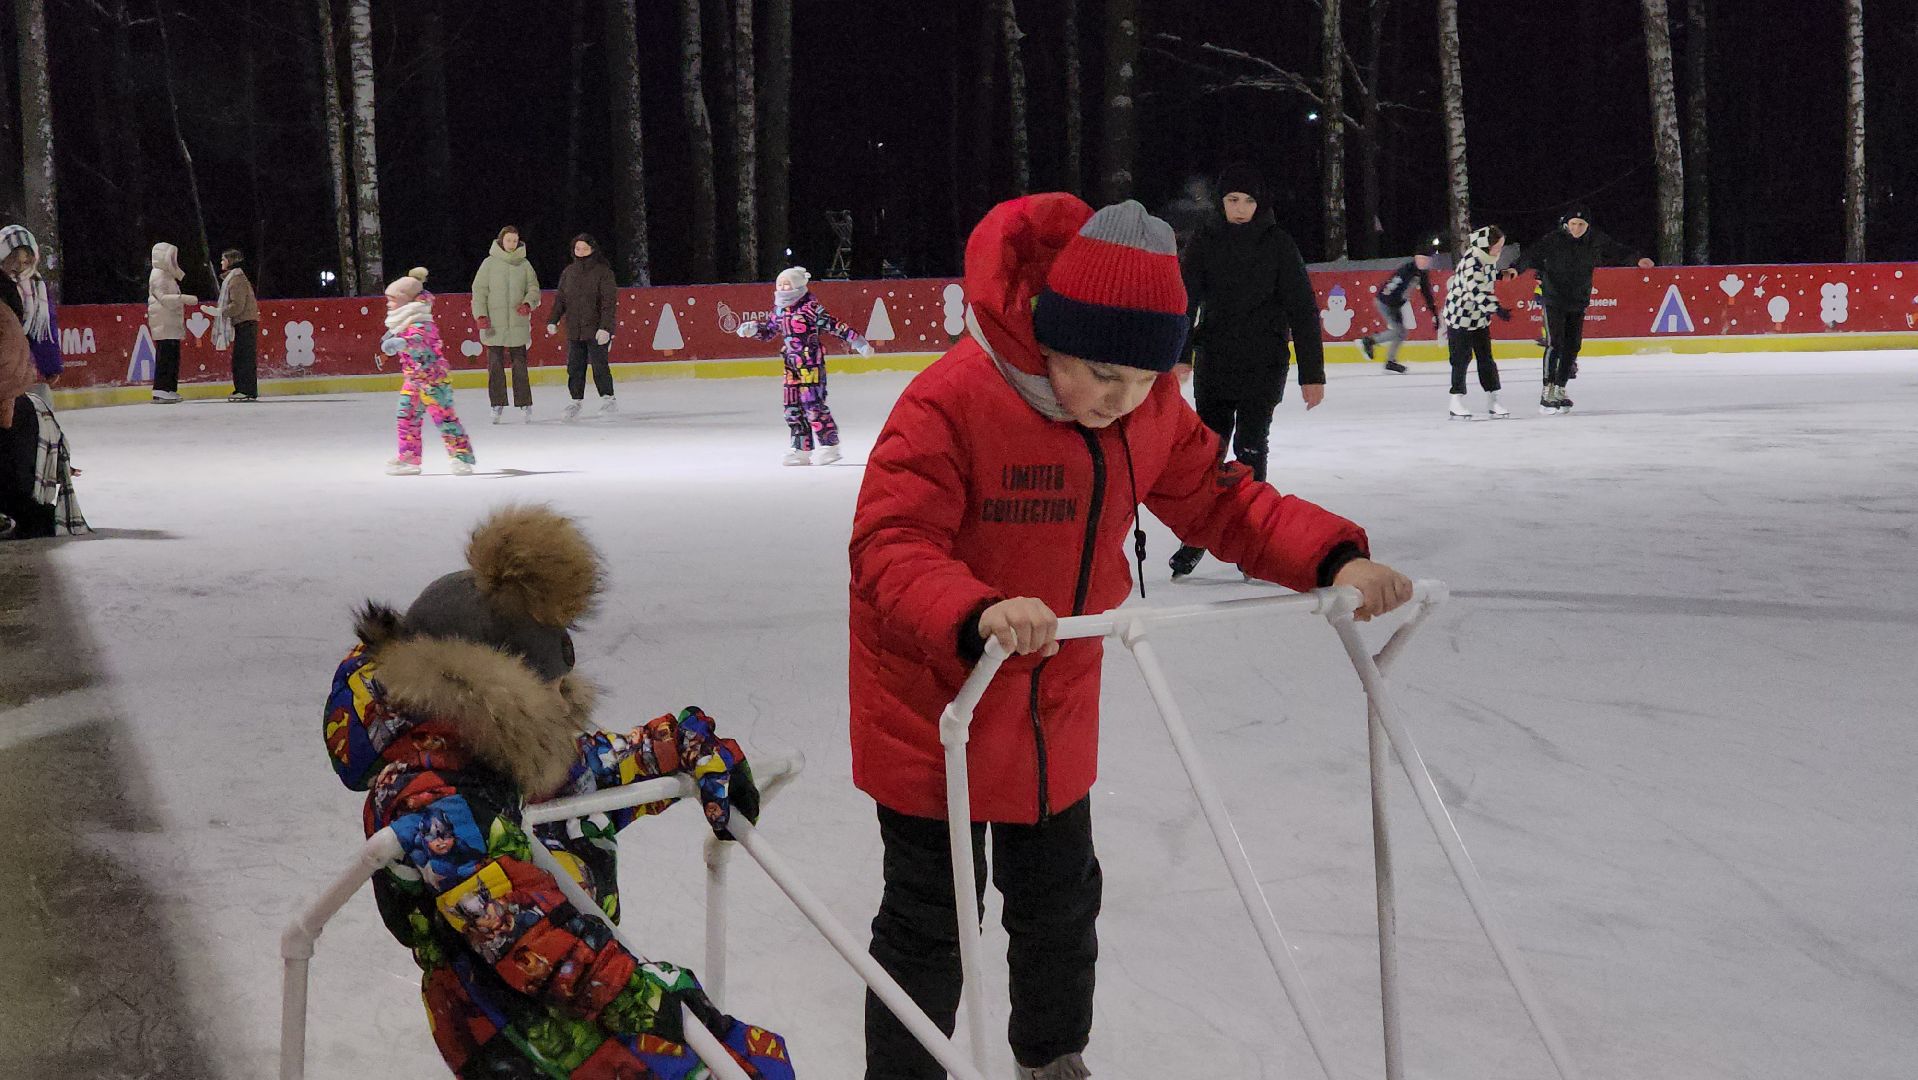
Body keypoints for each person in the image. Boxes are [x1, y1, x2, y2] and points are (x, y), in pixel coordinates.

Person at [847, 194, 1414, 1080]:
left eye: (1149, 379)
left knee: (1061, 902)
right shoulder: (952, 402)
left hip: (1052, 701)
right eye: (1103, 374)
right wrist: (976, 610)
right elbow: (890, 542)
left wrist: (1334, 557)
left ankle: (1051, 1058)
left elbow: (1224, 502)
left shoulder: (1147, 413)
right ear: (1052, 337)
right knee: (931, 920)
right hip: (936, 701)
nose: (1123, 401)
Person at [324, 505, 794, 1078]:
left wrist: (687, 746)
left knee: (751, 1061)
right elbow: (518, 928)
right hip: (512, 1029)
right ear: (493, 698)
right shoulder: (431, 798)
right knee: (741, 1067)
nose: (561, 706)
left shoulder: (489, 753)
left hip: (575, 1001)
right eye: (548, 693)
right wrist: (643, 995)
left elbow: (592, 767)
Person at [1166, 163, 1327, 581]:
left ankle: (1251, 538)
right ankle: (1199, 536)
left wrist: (1312, 373)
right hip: (1216, 362)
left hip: (1263, 363)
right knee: (1210, 454)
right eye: (1233, 200)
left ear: (1260, 204)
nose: (1240, 208)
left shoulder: (1278, 244)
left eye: (1249, 201)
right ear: (1221, 203)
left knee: (1251, 449)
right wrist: (1181, 354)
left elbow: (1303, 310)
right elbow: (1185, 301)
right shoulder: (1204, 242)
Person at [1509, 208, 1653, 414]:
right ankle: (1547, 391)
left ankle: (1560, 387)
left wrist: (1637, 259)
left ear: (1587, 226)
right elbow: (1531, 254)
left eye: (1581, 225)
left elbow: (1616, 250)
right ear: (1566, 224)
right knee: (1555, 343)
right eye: (1573, 224)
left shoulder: (1595, 240)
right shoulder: (1553, 239)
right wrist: (1515, 268)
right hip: (1554, 299)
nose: (1576, 229)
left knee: (1573, 345)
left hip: (1578, 300)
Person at [736, 265, 872, 466]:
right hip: (791, 364)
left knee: (813, 405)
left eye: (787, 284)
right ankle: (801, 448)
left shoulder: (810, 308)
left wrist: (857, 341)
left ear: (798, 285)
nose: (782, 288)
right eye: (780, 284)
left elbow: (834, 325)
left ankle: (830, 445)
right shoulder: (780, 310)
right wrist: (754, 329)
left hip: (810, 363)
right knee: (792, 407)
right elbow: (769, 331)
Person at [380, 268, 475, 477]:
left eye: (392, 300)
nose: (388, 304)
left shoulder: (422, 322)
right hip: (413, 379)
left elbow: (420, 340)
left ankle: (460, 457)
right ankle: (409, 457)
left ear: (405, 301)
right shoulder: (403, 322)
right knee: (406, 417)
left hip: (434, 380)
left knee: (445, 418)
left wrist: (402, 342)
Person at [0, 302, 84, 539]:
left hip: (13, 412)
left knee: (14, 491)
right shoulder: (7, 311)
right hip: (22, 410)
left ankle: (31, 517)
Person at [1440, 226, 1511, 421]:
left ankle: (1493, 399)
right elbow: (1476, 292)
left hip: (1479, 317)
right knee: (1461, 359)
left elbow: (1486, 275)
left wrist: (1500, 275)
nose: (1500, 250)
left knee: (1486, 358)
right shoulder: (1472, 262)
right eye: (1498, 247)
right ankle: (1456, 399)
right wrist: (1497, 308)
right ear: (1486, 246)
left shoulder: (1486, 258)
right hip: (1460, 317)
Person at [471, 225, 541, 423]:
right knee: (495, 366)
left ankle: (524, 404)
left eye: (515, 241)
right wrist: (480, 315)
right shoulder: (489, 264)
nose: (511, 244)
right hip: (494, 325)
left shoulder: (524, 264)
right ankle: (497, 404)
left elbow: (533, 288)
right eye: (508, 240)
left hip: (517, 324)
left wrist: (528, 303)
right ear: (501, 241)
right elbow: (479, 291)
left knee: (520, 366)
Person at [546, 233, 619, 420]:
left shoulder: (603, 272)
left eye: (585, 248)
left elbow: (608, 303)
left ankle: (608, 398)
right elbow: (561, 299)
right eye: (578, 249)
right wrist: (553, 320)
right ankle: (575, 401)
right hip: (574, 329)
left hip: (596, 329)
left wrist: (606, 328)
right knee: (574, 367)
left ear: (592, 249)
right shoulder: (569, 272)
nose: (581, 252)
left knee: (599, 365)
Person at [0, 224, 63, 406]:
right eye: (14, 261)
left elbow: (44, 333)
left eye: (26, 262)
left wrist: (50, 367)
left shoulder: (37, 288)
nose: (20, 268)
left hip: (22, 366)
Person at [1358, 249, 1436, 373]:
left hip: (1394, 304)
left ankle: (1389, 360)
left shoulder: (1421, 274)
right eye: (1423, 259)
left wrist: (1434, 313)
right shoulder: (1407, 270)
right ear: (1416, 259)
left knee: (1401, 332)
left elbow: (1427, 293)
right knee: (1399, 331)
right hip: (1386, 302)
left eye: (1427, 261)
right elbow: (1393, 285)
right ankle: (1370, 342)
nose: (1425, 263)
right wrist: (1393, 305)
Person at [205, 248, 260, 402]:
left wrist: (220, 312)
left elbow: (237, 306)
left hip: (245, 323)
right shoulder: (234, 278)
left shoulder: (236, 280)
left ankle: (246, 390)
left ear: (230, 261)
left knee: (244, 359)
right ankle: (243, 389)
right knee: (241, 358)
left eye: (224, 259)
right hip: (243, 323)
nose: (221, 262)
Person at [146, 242, 197, 404]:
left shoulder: (167, 276)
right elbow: (163, 298)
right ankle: (161, 389)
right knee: (166, 356)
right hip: (164, 323)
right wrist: (183, 299)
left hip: (170, 323)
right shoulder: (158, 275)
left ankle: (169, 388)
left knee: (172, 356)